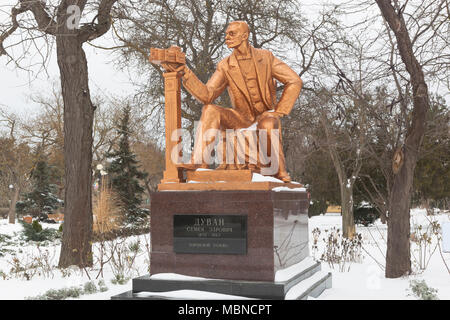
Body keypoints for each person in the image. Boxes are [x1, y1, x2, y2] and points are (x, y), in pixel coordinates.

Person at [163, 21, 302, 183]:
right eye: (226, 34)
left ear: (245, 36)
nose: (226, 37)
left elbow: (294, 81)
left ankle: (278, 172)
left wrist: (279, 111)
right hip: (241, 119)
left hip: (265, 116)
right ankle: (199, 161)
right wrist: (184, 72)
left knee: (268, 123)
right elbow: (207, 95)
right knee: (210, 109)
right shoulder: (226, 65)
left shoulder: (266, 58)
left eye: (232, 34)